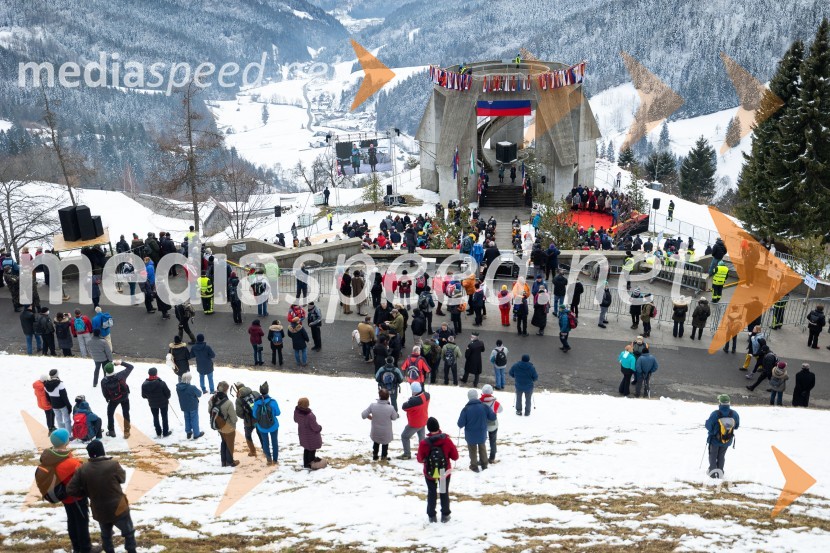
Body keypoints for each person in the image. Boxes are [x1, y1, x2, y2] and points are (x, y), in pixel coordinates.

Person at [67, 440, 137, 553]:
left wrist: (87, 493)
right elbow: (122, 479)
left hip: (99, 508)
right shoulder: (113, 464)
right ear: (102, 451)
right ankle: (131, 550)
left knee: (106, 536)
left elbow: (71, 489)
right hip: (119, 506)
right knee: (128, 532)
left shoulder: (82, 469)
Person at [37, 428, 92, 553]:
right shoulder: (70, 463)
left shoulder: (50, 455)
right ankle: (85, 549)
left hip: (64, 496)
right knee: (82, 522)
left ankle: (76, 547)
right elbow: (84, 477)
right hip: (76, 498)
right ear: (65, 441)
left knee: (72, 520)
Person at [417, 417, 459, 523]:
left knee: (432, 492)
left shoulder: (424, 443)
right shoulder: (446, 440)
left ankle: (432, 516)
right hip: (444, 472)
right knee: (444, 491)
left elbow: (420, 459)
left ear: (428, 429)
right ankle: (445, 515)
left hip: (430, 472)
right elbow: (455, 457)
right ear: (438, 427)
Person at [457, 388, 496, 472]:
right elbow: (493, 417)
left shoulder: (466, 409)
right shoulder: (484, 406)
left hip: (470, 434)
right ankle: (484, 464)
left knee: (472, 450)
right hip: (482, 432)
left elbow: (460, 424)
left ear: (469, 397)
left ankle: (474, 466)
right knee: (482, 448)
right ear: (477, 396)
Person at [704, 395, 739, 478]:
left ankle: (712, 473)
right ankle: (720, 473)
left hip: (714, 440)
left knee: (713, 456)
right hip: (727, 440)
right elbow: (736, 426)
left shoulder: (715, 414)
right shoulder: (734, 414)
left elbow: (709, 426)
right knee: (721, 456)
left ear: (719, 403)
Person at [362, 388, 399, 461]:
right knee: (385, 444)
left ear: (379, 396)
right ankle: (384, 456)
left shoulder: (373, 406)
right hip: (386, 432)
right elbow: (394, 417)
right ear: (388, 397)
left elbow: (363, 415)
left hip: (375, 431)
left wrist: (371, 418)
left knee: (376, 442)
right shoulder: (390, 408)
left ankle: (375, 455)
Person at [208, 381, 240, 467]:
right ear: (226, 390)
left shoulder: (212, 399)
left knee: (223, 442)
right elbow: (234, 419)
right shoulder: (228, 403)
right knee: (229, 444)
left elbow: (209, 411)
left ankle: (223, 461)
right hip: (228, 427)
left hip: (219, 426)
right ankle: (230, 461)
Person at [100, 360, 134, 438]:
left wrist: (108, 399)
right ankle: (127, 432)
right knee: (126, 413)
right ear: (113, 369)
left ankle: (111, 431)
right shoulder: (121, 375)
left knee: (110, 413)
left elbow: (105, 393)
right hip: (124, 396)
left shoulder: (104, 381)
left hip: (113, 399)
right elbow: (131, 367)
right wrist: (121, 363)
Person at [398, 382, 430, 460]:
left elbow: (404, 407)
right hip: (424, 420)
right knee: (422, 438)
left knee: (404, 436)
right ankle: (423, 454)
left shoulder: (413, 401)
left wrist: (411, 400)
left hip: (414, 423)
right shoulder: (426, 395)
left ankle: (407, 454)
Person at [252, 382, 281, 465]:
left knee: (265, 442)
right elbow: (278, 413)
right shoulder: (273, 402)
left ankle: (269, 460)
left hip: (261, 426)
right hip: (273, 426)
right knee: (274, 442)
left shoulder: (256, 403)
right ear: (268, 391)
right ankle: (275, 460)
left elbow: (254, 415)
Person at [294, 398, 323, 469]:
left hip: (302, 434)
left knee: (306, 448)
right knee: (312, 449)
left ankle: (306, 463)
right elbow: (315, 427)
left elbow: (295, 420)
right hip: (311, 436)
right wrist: (319, 428)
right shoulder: (310, 416)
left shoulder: (297, 412)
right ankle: (310, 463)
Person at [175, 372, 203, 440]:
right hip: (193, 405)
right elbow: (199, 394)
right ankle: (196, 434)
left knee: (187, 418)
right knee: (194, 419)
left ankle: (188, 432)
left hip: (184, 405)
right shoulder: (192, 387)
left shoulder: (178, 387)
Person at [479, 384, 503, 463]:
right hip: (493, 425)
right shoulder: (495, 403)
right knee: (493, 441)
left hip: (482, 424)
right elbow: (500, 410)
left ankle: (482, 458)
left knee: (481, 442)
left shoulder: (479, 402)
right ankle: (492, 458)